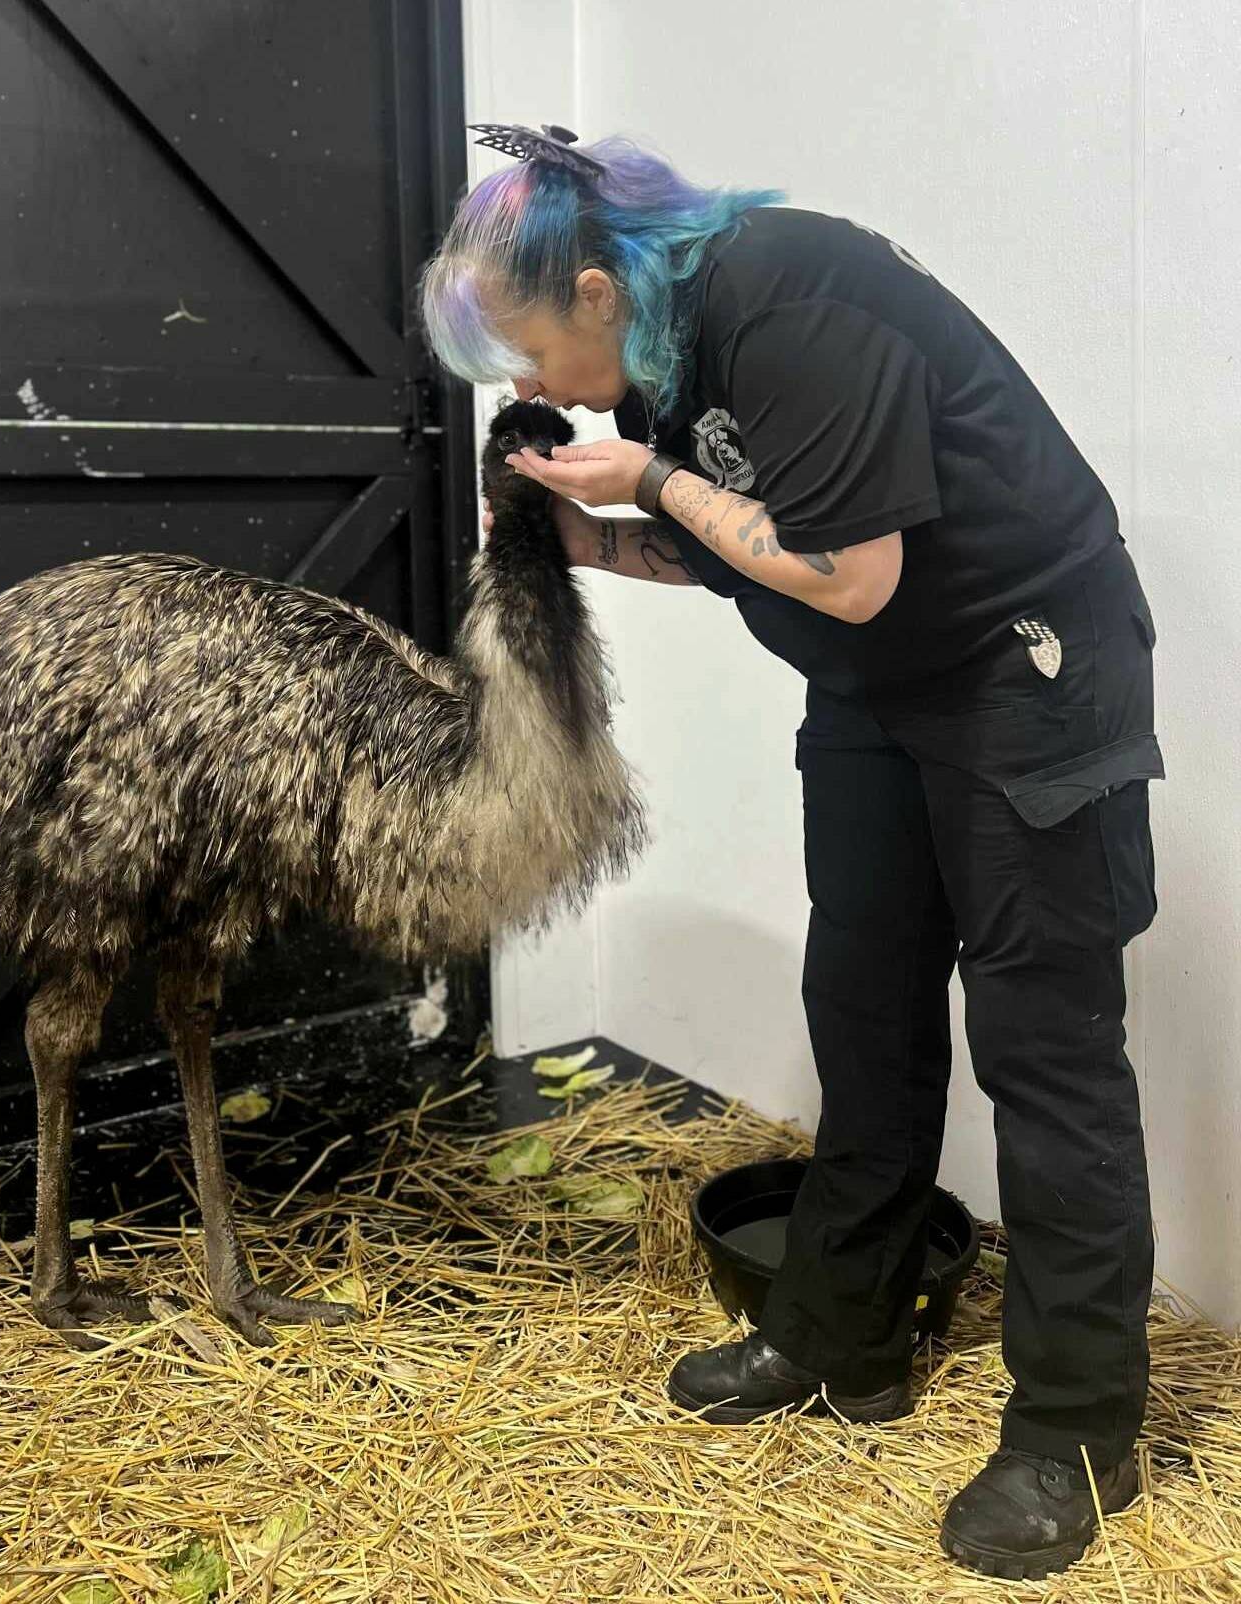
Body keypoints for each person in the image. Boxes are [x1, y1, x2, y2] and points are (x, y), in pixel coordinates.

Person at [422, 124, 1163, 1581]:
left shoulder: (790, 297)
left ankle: (1079, 1431)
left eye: (519, 350)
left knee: (1048, 1056)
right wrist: (578, 537)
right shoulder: (677, 352)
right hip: (884, 685)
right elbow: (747, 541)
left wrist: (646, 481)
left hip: (1028, 672)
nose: (520, 389)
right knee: (866, 1010)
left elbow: (847, 566)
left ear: (589, 289)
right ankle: (841, 1340)